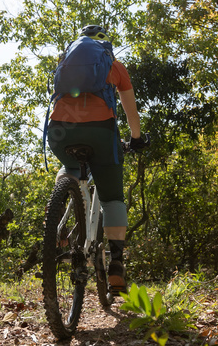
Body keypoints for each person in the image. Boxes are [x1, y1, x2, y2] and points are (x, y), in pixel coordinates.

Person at [46, 24, 148, 295]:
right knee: (112, 197)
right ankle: (116, 263)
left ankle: (60, 220)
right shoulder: (115, 66)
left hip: (59, 132)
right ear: (106, 45)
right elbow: (131, 113)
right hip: (102, 132)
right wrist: (136, 139)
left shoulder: (64, 64)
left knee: (68, 168)